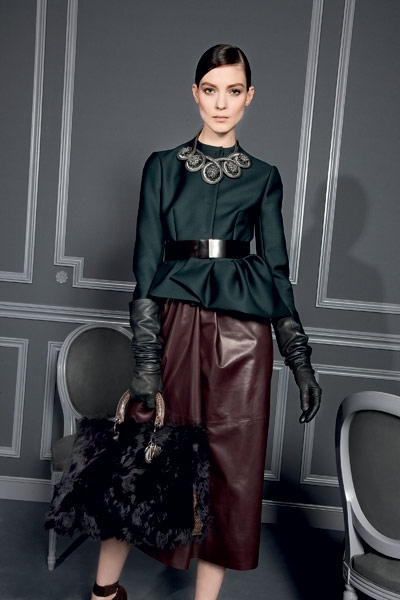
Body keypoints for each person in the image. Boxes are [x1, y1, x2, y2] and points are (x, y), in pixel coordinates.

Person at [90, 43, 322, 600]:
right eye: (211, 90)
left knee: (229, 473)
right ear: (195, 94)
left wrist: (300, 360)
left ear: (249, 97)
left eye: (233, 91)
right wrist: (147, 360)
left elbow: (277, 271)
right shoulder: (162, 167)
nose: (221, 103)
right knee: (144, 456)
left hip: (244, 340)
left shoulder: (264, 177)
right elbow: (146, 266)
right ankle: (104, 593)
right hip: (176, 327)